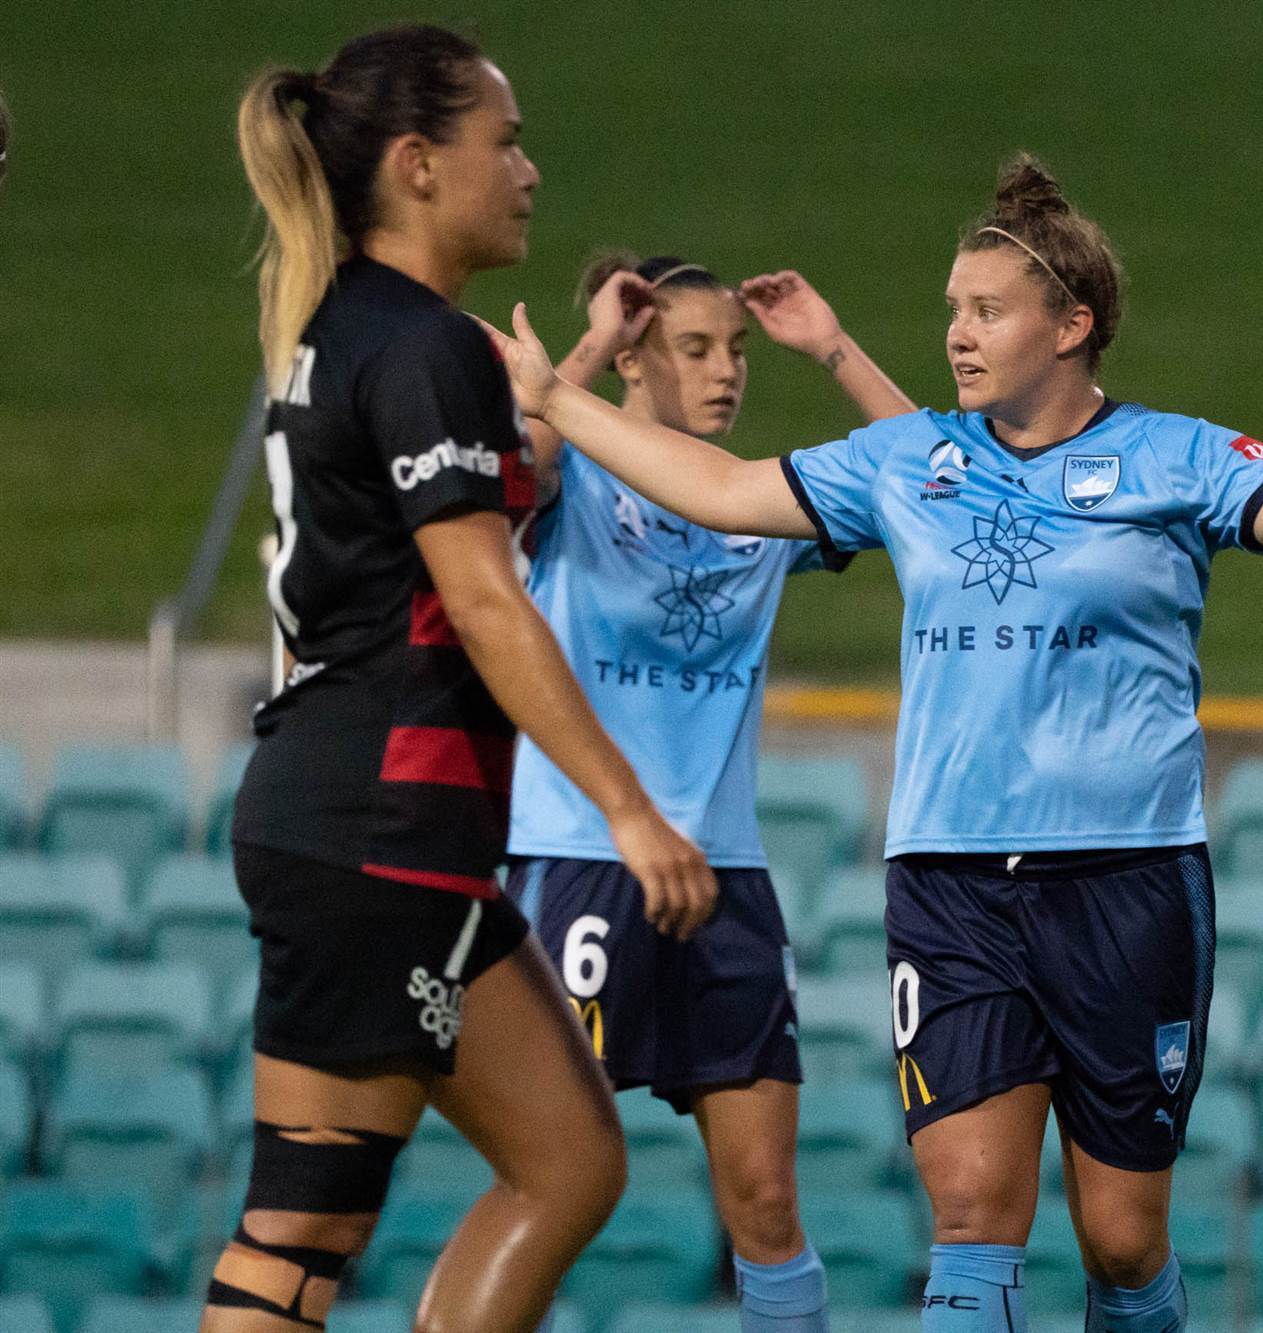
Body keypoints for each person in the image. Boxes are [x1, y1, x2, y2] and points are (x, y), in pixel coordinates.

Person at [481, 152, 1263, 1332]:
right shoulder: (910, 460)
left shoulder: (1172, 457)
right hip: (949, 882)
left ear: (1070, 324)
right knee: (973, 1211)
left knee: (1121, 1239)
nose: (957, 334)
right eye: (950, 311)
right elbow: (725, 490)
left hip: (1126, 878)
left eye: (984, 310)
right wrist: (557, 396)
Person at [212, 25, 715, 1333]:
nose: (530, 170)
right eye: (508, 142)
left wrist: (580, 367)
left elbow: (489, 493)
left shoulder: (349, 329)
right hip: (382, 826)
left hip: (357, 822)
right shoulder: (424, 344)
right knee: (306, 1224)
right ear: (422, 166)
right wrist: (628, 807)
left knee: (564, 1161)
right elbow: (486, 601)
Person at [504, 252, 912, 1332]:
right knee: (553, 1182)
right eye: (694, 347)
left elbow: (929, 481)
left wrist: (829, 345)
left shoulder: (756, 501)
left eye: (733, 349)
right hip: (583, 855)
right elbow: (508, 467)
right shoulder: (576, 479)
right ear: (636, 357)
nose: (725, 371)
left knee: (767, 1199)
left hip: (726, 874)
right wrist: (583, 349)